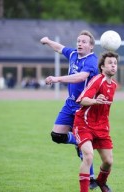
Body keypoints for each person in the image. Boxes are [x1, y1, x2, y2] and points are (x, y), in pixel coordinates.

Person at [40, 30, 98, 189]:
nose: (80, 43)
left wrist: (57, 79)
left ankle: (91, 178)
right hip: (70, 104)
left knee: (85, 147)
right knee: (56, 135)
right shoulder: (73, 54)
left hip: (84, 107)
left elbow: (80, 77)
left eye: (84, 41)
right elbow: (60, 48)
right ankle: (76, 139)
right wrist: (48, 40)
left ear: (91, 46)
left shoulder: (92, 61)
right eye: (78, 41)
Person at [73, 51, 119, 192]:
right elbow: (82, 100)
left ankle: (101, 181)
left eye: (115, 63)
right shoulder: (97, 80)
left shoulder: (114, 86)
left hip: (101, 127)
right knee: (88, 156)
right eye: (109, 63)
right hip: (84, 124)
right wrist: (95, 101)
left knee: (108, 161)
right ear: (102, 67)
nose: (113, 66)